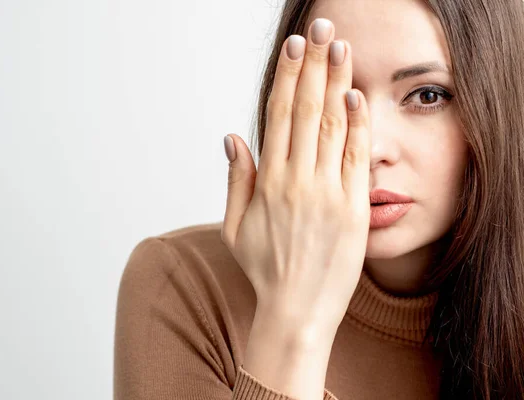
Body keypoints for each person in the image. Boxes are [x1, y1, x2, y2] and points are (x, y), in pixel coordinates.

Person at [114, 0, 524, 398]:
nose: (372, 148)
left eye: (427, 96)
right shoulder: (183, 285)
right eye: (336, 92)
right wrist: (290, 318)